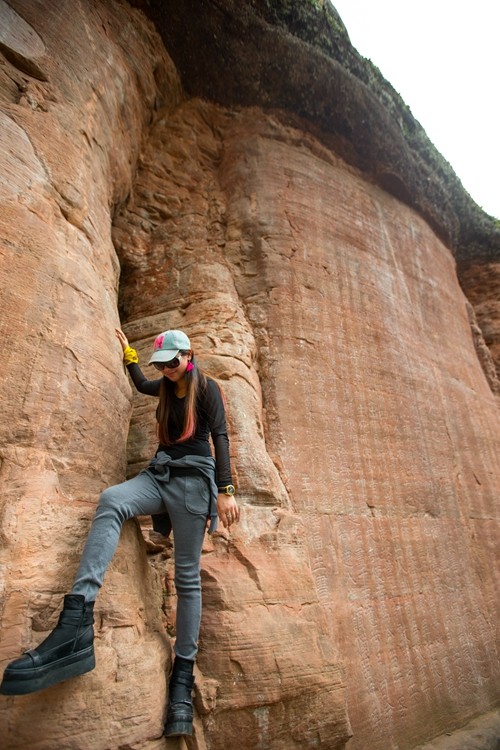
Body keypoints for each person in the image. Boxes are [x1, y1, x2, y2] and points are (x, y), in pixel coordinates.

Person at [0, 328, 239, 738]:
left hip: (193, 486)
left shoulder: (207, 388)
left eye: (172, 362)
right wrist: (129, 355)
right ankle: (76, 623)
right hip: (159, 476)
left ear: (188, 356)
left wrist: (226, 490)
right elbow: (143, 385)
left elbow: (221, 437)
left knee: (187, 579)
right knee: (112, 500)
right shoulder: (165, 385)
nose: (166, 370)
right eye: (162, 364)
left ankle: (182, 680)